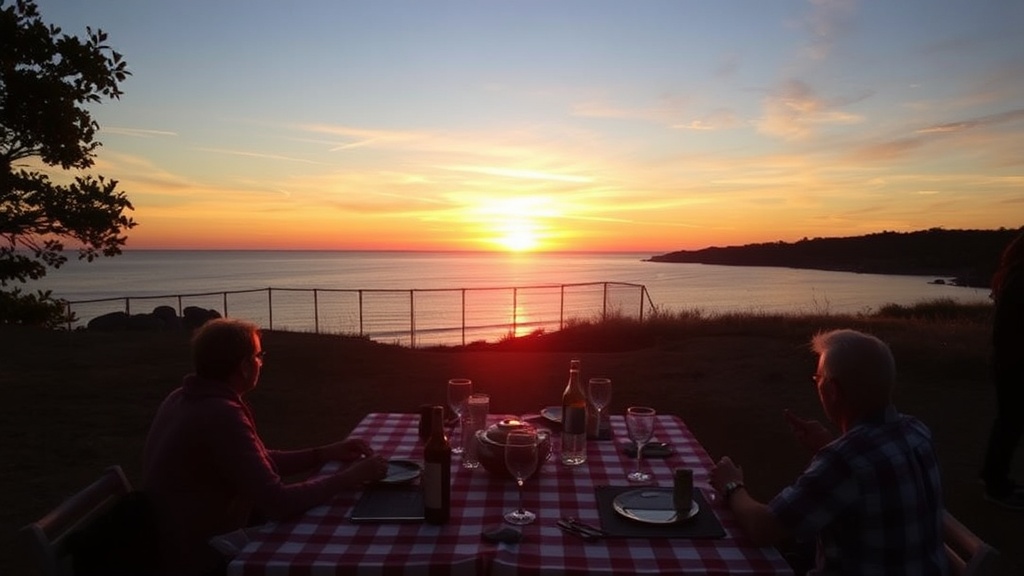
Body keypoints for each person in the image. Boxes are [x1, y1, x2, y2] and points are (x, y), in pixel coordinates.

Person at [143, 318, 388, 576]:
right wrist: (350, 477)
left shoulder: (183, 398)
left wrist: (325, 453)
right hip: (206, 556)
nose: (261, 362)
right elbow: (278, 502)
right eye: (259, 356)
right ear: (244, 367)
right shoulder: (220, 415)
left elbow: (254, 461)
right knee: (334, 543)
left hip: (175, 539)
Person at [710, 329, 947, 575]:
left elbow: (764, 528)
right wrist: (827, 444)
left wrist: (732, 485)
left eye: (817, 379)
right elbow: (871, 474)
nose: (817, 387)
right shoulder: (918, 432)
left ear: (833, 390)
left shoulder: (845, 459)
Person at [981, 229, 1024, 509]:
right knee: (1010, 423)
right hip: (1016, 363)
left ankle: (995, 480)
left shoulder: (1011, 276)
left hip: (1008, 361)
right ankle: (996, 485)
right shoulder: (1020, 280)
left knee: (1008, 423)